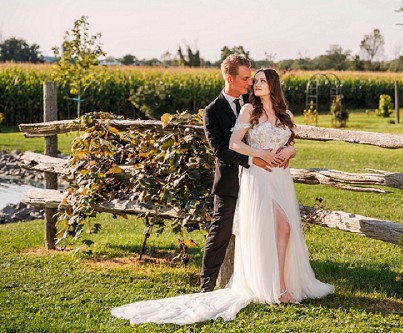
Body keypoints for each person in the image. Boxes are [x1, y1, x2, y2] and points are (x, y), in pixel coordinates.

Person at [111, 67, 333, 325]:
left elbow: (290, 140)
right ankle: (277, 287)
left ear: (273, 85)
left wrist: (289, 151)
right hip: (258, 176)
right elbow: (233, 144)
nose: (255, 84)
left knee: (284, 230)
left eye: (261, 81)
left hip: (279, 177)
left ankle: (280, 282)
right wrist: (260, 155)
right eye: (254, 80)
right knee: (277, 228)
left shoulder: (285, 113)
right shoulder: (250, 110)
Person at [199, 53, 271, 293]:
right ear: (229, 79)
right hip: (230, 183)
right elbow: (220, 151)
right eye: (245, 79)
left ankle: (260, 282)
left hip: (259, 181)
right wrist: (253, 159)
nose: (250, 83)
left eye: (251, 78)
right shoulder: (212, 111)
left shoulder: (254, 101)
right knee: (221, 232)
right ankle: (206, 285)